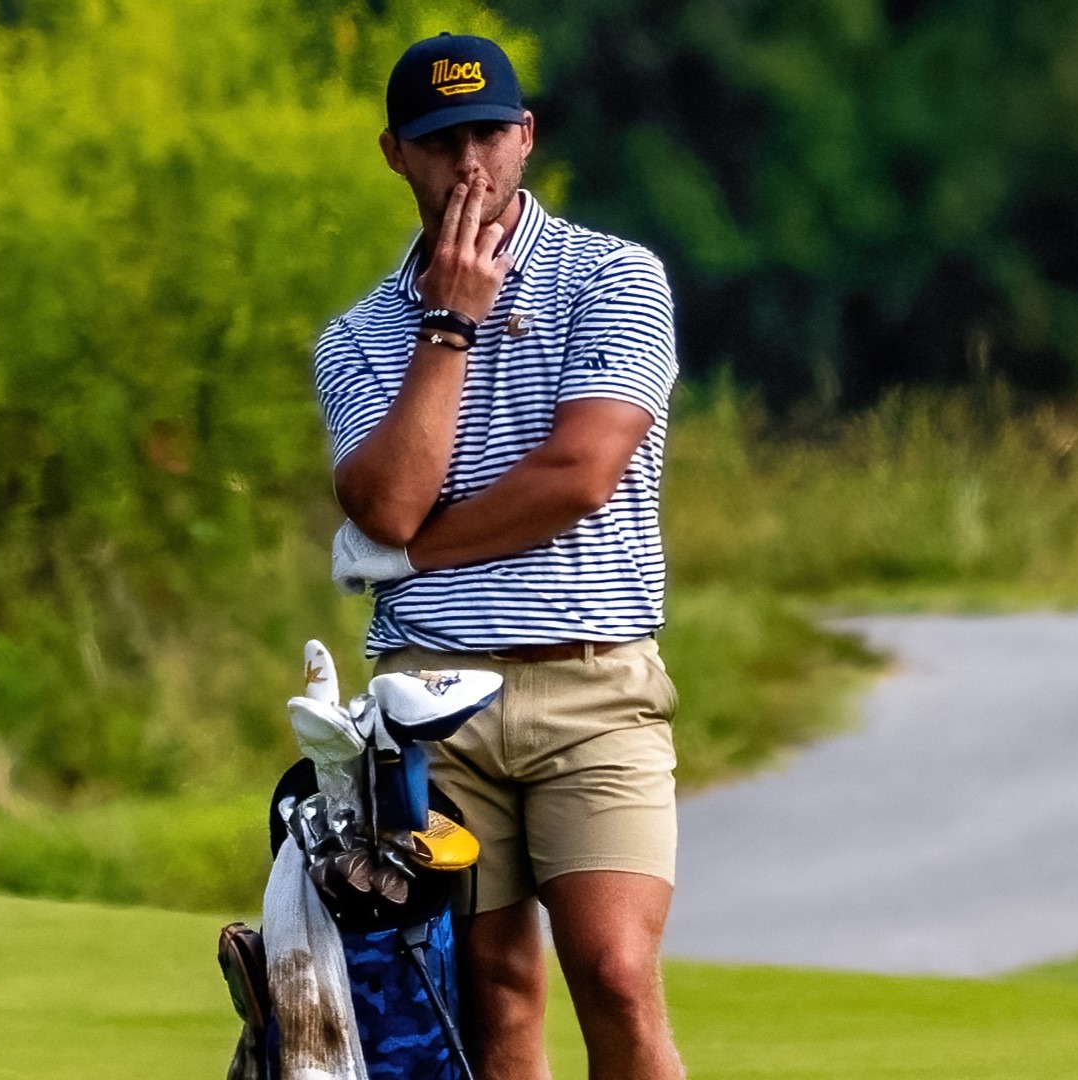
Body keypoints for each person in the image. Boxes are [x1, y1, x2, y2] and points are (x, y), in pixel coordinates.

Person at [315, 32, 685, 1080]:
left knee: (613, 970)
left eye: (488, 134)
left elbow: (580, 473)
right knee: (487, 986)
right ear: (396, 153)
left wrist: (409, 553)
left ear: (526, 137)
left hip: (593, 685)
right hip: (431, 699)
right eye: (441, 143)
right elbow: (385, 499)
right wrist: (450, 324)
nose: (468, 164)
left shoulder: (614, 276)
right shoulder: (360, 336)